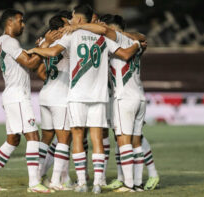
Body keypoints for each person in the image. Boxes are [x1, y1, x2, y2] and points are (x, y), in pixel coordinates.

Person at [27, 4, 145, 194]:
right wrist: (138, 45)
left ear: (79, 19)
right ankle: (98, 183)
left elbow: (53, 52)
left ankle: (82, 183)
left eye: (73, 17)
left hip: (77, 96)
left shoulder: (72, 34)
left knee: (78, 137)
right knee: (97, 138)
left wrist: (35, 50)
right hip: (99, 96)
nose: (71, 21)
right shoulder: (103, 37)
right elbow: (124, 53)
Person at [0, 8, 58, 193]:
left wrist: (40, 48)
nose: (23, 25)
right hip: (17, 96)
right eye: (20, 21)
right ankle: (34, 184)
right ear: (10, 22)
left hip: (12, 95)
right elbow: (31, 63)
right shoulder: (9, 41)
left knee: (13, 140)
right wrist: (46, 44)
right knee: (33, 136)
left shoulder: (4, 42)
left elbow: (29, 63)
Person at [36, 14, 73, 191]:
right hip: (60, 96)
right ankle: (57, 181)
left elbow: (40, 71)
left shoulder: (44, 40)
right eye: (69, 21)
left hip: (45, 93)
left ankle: (37, 175)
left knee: (46, 138)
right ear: (63, 25)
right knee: (64, 140)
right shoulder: (67, 39)